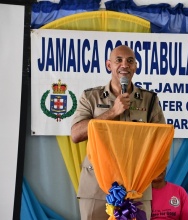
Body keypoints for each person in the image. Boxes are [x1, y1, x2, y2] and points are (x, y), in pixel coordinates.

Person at [71, 45, 166, 220]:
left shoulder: (150, 100)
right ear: (109, 65)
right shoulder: (91, 97)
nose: (124, 65)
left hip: (136, 184)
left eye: (130, 61)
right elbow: (76, 134)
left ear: (135, 66)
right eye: (119, 60)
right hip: (97, 184)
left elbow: (160, 141)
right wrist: (112, 112)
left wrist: (157, 172)